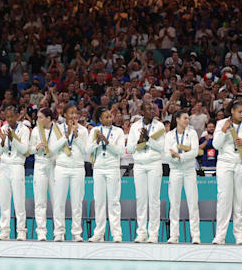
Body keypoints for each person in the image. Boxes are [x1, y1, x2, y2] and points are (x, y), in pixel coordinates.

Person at [212, 101, 242, 245]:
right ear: (232, 111)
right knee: (224, 199)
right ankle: (220, 235)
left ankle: (239, 235)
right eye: (240, 112)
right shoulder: (221, 123)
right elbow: (216, 145)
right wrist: (223, 131)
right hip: (225, 163)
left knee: (241, 200)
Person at [126, 102, 166, 243]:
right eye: (149, 108)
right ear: (142, 111)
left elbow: (161, 148)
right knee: (141, 199)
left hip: (154, 164)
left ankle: (153, 233)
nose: (152, 110)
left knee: (154, 199)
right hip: (139, 165)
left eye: (153, 108)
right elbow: (130, 148)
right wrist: (140, 141)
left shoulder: (160, 126)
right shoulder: (135, 126)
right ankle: (141, 232)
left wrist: (148, 140)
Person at [49, 104, 88, 242]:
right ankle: (59, 232)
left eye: (75, 113)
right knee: (59, 201)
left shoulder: (83, 130)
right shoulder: (57, 129)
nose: (73, 116)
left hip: (77, 168)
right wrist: (65, 137)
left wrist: (76, 136)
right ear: (64, 114)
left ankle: (76, 233)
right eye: (71, 113)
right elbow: (52, 149)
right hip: (61, 167)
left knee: (77, 202)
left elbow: (86, 152)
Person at [86, 107, 125, 243]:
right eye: (106, 117)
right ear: (100, 119)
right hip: (98, 168)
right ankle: (99, 233)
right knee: (99, 202)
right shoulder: (94, 131)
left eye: (110, 116)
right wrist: (97, 142)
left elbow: (121, 151)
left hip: (113, 167)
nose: (110, 119)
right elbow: (87, 150)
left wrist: (107, 143)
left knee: (114, 201)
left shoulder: (118, 131)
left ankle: (116, 234)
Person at [164, 110, 201, 244]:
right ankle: (174, 235)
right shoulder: (169, 135)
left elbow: (195, 151)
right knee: (174, 204)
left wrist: (180, 156)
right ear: (177, 119)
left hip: (189, 170)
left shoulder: (192, 133)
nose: (187, 120)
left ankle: (195, 235)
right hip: (175, 171)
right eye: (185, 118)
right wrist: (175, 159)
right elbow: (166, 155)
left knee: (193, 203)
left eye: (188, 118)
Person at [0, 106, 30, 240]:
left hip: (17, 165)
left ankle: (21, 231)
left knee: (19, 200)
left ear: (17, 116)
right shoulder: (3, 129)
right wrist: (3, 141)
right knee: (4, 200)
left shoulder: (24, 130)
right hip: (4, 166)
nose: (9, 119)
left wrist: (13, 138)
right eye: (7, 117)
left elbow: (24, 149)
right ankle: (4, 230)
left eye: (11, 116)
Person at [28, 108, 56, 241]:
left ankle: (59, 232)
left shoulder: (58, 129)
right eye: (37, 117)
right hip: (39, 165)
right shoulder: (35, 130)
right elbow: (28, 149)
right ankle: (41, 232)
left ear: (49, 118)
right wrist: (36, 148)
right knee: (40, 201)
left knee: (57, 202)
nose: (37, 120)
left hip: (55, 166)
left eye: (40, 117)